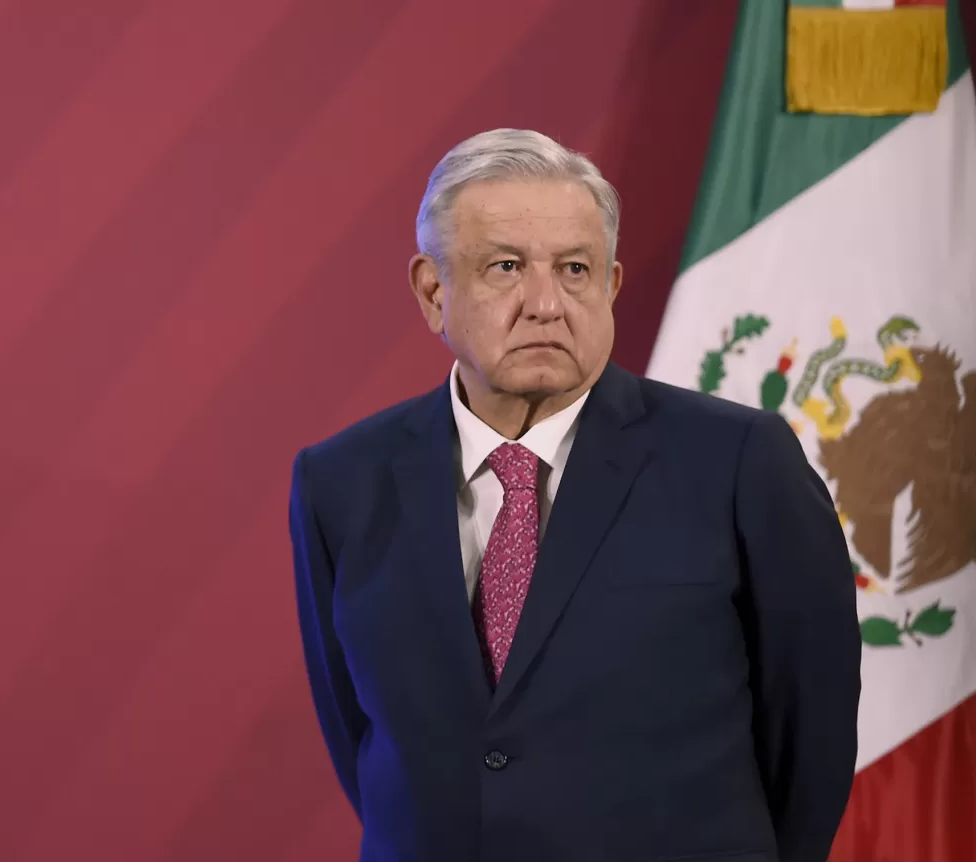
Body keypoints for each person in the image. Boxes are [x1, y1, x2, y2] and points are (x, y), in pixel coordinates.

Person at [288, 128, 861, 862]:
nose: (546, 303)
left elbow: (809, 738)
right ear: (434, 292)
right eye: (505, 267)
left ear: (610, 286)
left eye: (574, 269)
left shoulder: (740, 462)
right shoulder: (340, 481)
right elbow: (364, 741)